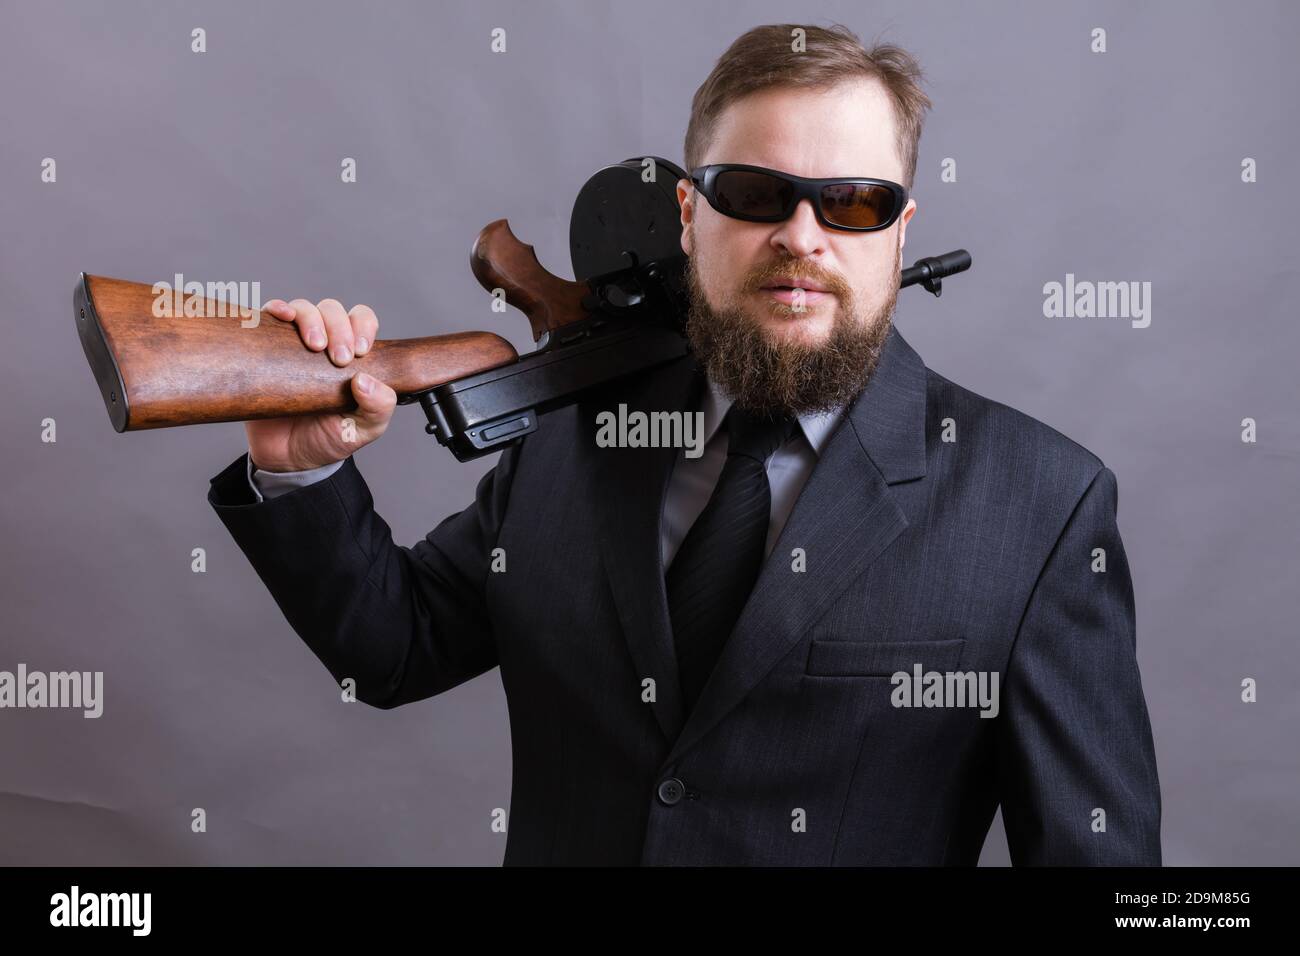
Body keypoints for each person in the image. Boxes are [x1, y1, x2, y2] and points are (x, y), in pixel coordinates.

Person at [209, 23, 1161, 865]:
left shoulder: (1040, 506)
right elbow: (395, 650)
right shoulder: (578, 434)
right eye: (754, 193)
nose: (802, 237)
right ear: (687, 214)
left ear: (901, 233)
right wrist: (304, 472)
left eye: (855, 204)